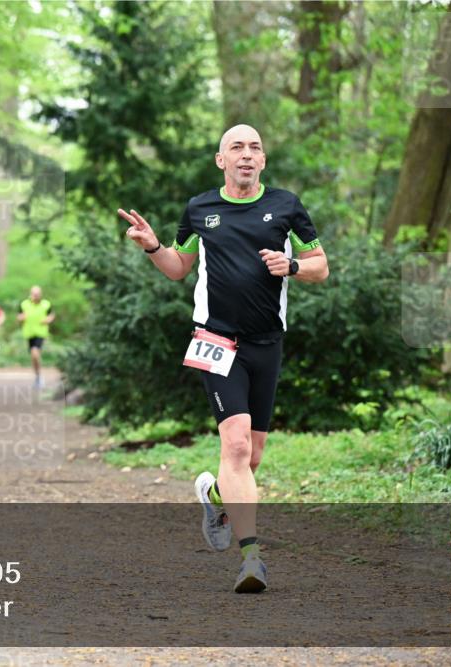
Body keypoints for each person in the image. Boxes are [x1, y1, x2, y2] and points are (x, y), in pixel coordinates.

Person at [118, 124, 329, 593]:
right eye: (237, 147)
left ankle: (214, 494)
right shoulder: (200, 209)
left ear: (263, 160)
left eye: (255, 147)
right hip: (216, 340)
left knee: (251, 457)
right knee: (234, 447)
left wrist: (292, 265)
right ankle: (251, 559)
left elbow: (321, 265)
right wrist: (154, 247)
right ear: (221, 161)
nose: (247, 154)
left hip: (267, 342)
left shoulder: (286, 206)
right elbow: (179, 268)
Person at [17, 286, 54, 389]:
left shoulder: (46, 304)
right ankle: (37, 376)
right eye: (34, 294)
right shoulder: (24, 304)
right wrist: (21, 317)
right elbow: (19, 316)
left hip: (41, 333)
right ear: (31, 294)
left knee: (35, 353)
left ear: (41, 294)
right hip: (29, 333)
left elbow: (51, 315)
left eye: (38, 294)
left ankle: (39, 376)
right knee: (34, 357)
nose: (36, 296)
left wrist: (48, 320)